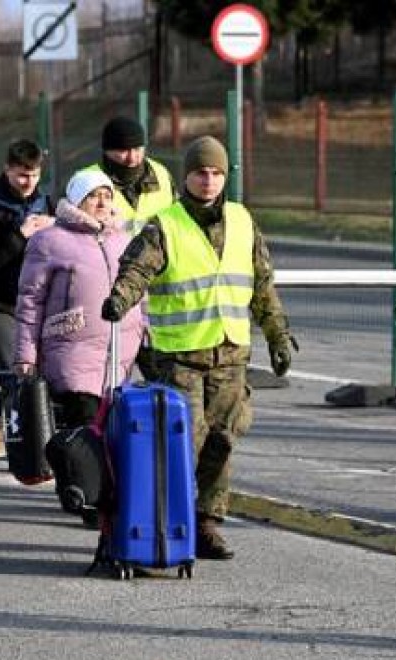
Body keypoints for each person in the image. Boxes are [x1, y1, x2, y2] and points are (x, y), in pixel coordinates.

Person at [100, 136, 295, 561]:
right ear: (186, 176)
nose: (208, 180)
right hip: (178, 357)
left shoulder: (243, 221)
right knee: (182, 443)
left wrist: (278, 336)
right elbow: (137, 269)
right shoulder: (164, 224)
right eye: (200, 172)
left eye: (216, 173)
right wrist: (120, 298)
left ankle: (206, 523)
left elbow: (262, 286)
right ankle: (169, 525)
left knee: (222, 442)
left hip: (230, 353)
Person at [13, 169, 144, 427]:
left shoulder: (124, 240)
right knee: (83, 430)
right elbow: (31, 300)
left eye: (107, 195)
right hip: (72, 352)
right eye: (93, 196)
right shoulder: (50, 241)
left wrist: (145, 331)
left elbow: (140, 292)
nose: (102, 203)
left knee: (111, 432)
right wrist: (25, 356)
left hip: (119, 354)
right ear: (76, 199)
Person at [0, 139, 54, 459]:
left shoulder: (46, 202)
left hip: (40, 303)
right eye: (21, 174)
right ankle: (27, 451)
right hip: (1, 304)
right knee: (14, 378)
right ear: (7, 170)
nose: (27, 181)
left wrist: (55, 228)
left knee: (42, 380)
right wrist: (21, 234)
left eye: (33, 175)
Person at [78, 116, 175, 235]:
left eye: (137, 149)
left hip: (157, 252)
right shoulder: (86, 181)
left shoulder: (162, 174)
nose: (132, 158)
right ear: (107, 150)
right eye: (123, 151)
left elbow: (176, 218)